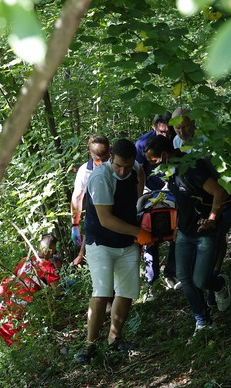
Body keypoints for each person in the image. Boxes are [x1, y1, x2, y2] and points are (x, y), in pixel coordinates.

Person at [144, 135, 231, 336]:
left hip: (204, 233)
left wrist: (211, 219)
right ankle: (203, 320)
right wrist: (176, 230)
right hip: (184, 232)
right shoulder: (172, 172)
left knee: (201, 280)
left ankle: (219, 284)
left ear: (165, 155)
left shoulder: (192, 168)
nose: (152, 165)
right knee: (184, 277)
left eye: (153, 160)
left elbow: (219, 193)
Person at [76, 138, 153, 365]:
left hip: (126, 242)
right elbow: (106, 219)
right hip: (101, 242)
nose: (122, 170)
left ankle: (115, 338)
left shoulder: (136, 169)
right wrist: (139, 232)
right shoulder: (100, 178)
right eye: (119, 165)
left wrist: (137, 219)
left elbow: (137, 188)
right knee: (102, 292)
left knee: (127, 291)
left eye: (127, 166)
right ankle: (89, 345)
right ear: (111, 158)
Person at [170, 107, 231, 308]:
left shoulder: (210, 141)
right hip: (202, 199)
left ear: (194, 122)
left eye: (185, 126)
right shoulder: (177, 143)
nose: (181, 131)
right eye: (177, 128)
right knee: (208, 236)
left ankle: (215, 276)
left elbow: (225, 174)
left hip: (225, 193)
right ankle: (210, 279)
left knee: (217, 233)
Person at [0, 235, 62, 346]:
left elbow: (14, 279)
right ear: (49, 251)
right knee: (26, 344)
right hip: (6, 310)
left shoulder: (25, 260)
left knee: (23, 342)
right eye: (53, 251)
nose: (53, 255)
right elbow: (58, 292)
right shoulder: (46, 265)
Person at [135, 113, 180, 299]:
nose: (165, 134)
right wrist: (141, 197)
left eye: (168, 130)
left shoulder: (175, 139)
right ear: (154, 127)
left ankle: (172, 272)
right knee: (149, 232)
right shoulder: (142, 144)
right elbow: (138, 171)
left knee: (175, 228)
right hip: (150, 190)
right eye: (161, 131)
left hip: (173, 187)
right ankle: (151, 281)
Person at [71, 135, 111, 265]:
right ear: (90, 153)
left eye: (105, 158)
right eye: (98, 160)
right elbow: (77, 197)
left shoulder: (119, 165)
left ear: (110, 150)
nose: (102, 163)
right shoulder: (84, 172)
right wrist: (75, 225)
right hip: (96, 218)